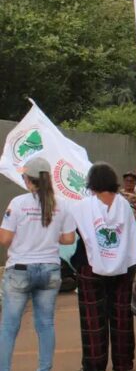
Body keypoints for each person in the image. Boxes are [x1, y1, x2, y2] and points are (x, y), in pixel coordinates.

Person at [0, 158, 76, 371]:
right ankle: (44, 368)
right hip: (50, 269)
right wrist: (51, 238)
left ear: (27, 179)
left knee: (9, 327)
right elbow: (69, 239)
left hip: (20, 270)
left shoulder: (18, 203)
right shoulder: (61, 205)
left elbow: (5, 239)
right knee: (45, 325)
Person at [70, 162, 136, 371]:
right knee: (121, 318)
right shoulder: (125, 206)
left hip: (89, 268)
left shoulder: (82, 206)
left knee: (92, 319)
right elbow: (131, 237)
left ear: (91, 183)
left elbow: (70, 234)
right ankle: (123, 363)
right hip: (122, 268)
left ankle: (94, 364)